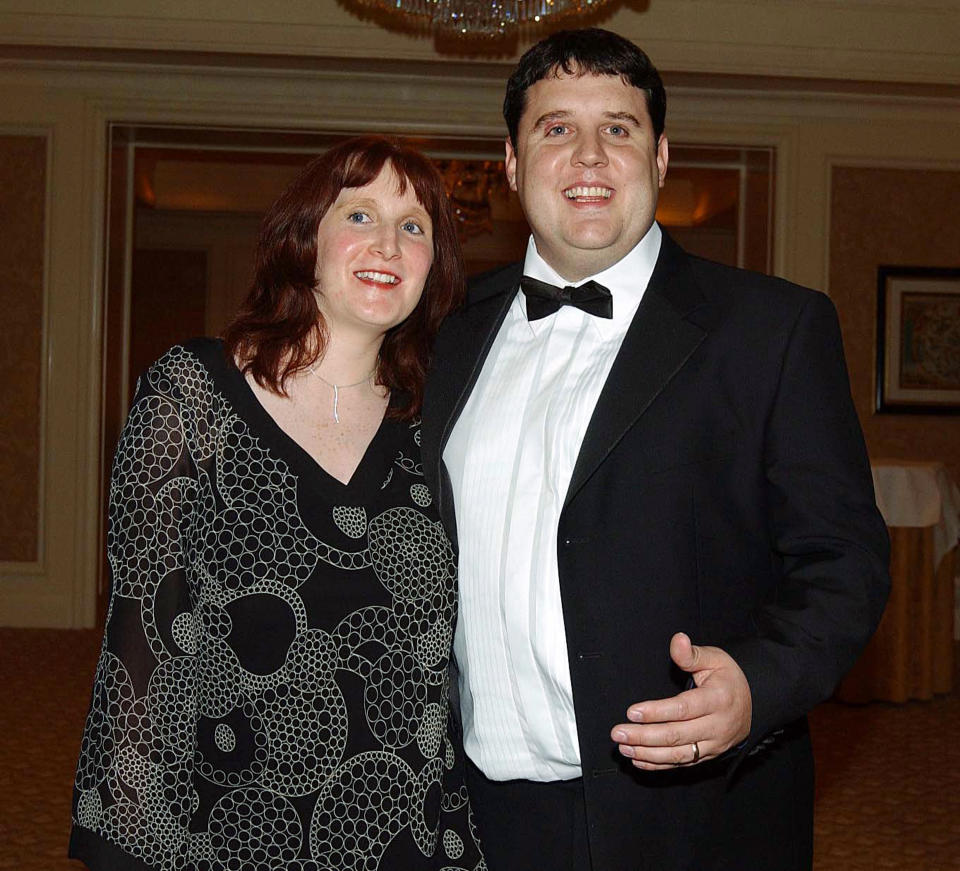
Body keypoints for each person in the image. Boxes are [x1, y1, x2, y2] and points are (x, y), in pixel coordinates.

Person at [421, 28, 890, 871]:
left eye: (621, 128)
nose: (590, 154)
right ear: (514, 164)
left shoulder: (772, 329)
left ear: (662, 156)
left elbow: (845, 559)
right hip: (473, 814)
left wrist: (756, 685)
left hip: (692, 817)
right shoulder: (443, 330)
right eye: (556, 128)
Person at [69, 136, 483, 871]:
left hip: (405, 835)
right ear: (305, 239)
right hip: (232, 831)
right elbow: (142, 640)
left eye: (415, 226)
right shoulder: (193, 394)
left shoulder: (437, 426)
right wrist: (126, 843)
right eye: (359, 215)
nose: (388, 242)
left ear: (434, 267)